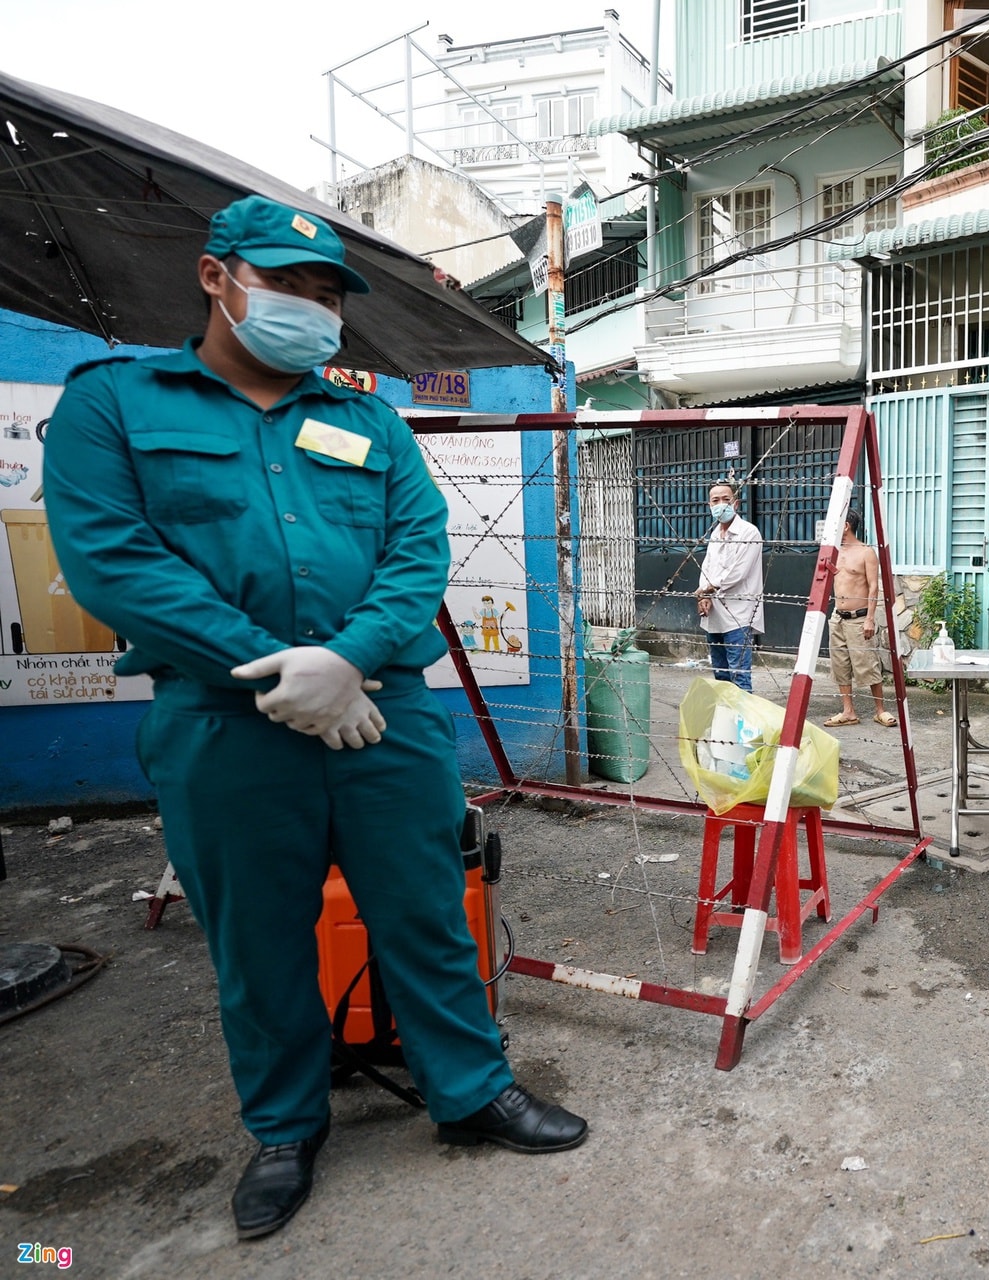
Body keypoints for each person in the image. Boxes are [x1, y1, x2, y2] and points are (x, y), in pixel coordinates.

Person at [42, 195, 587, 1243]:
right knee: (260, 939)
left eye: (328, 293)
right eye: (288, 284)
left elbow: (417, 549)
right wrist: (279, 675)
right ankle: (286, 1129)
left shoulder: (368, 417)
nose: (312, 307)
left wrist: (346, 659)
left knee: (427, 911)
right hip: (223, 726)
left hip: (386, 715)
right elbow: (116, 563)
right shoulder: (114, 403)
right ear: (217, 277)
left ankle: (472, 1090)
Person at [821, 510, 896, 728]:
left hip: (859, 617)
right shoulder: (833, 551)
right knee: (840, 665)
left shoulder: (866, 552)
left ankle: (880, 710)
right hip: (838, 617)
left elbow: (873, 586)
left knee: (868, 664)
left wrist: (870, 618)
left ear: (845, 525)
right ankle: (848, 711)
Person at [694, 480, 764, 692]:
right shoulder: (715, 534)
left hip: (738, 615)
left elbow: (737, 572)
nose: (721, 504)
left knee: (739, 676)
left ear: (736, 503)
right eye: (715, 500)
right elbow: (707, 567)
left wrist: (708, 588)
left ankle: (743, 722)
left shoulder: (748, 533)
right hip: (714, 615)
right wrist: (703, 596)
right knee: (721, 676)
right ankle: (726, 720)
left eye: (726, 499)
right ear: (709, 505)